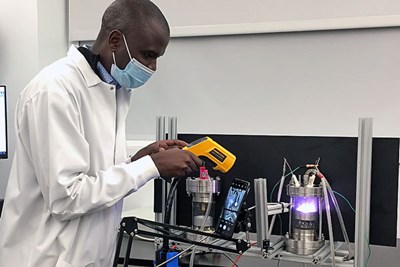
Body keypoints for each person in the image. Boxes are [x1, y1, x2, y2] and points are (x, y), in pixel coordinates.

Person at [0, 0, 202, 266]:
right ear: (115, 40)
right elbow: (67, 198)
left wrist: (138, 161)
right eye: (148, 55)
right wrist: (150, 167)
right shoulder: (55, 90)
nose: (152, 68)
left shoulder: (114, 89)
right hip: (45, 258)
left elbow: (98, 180)